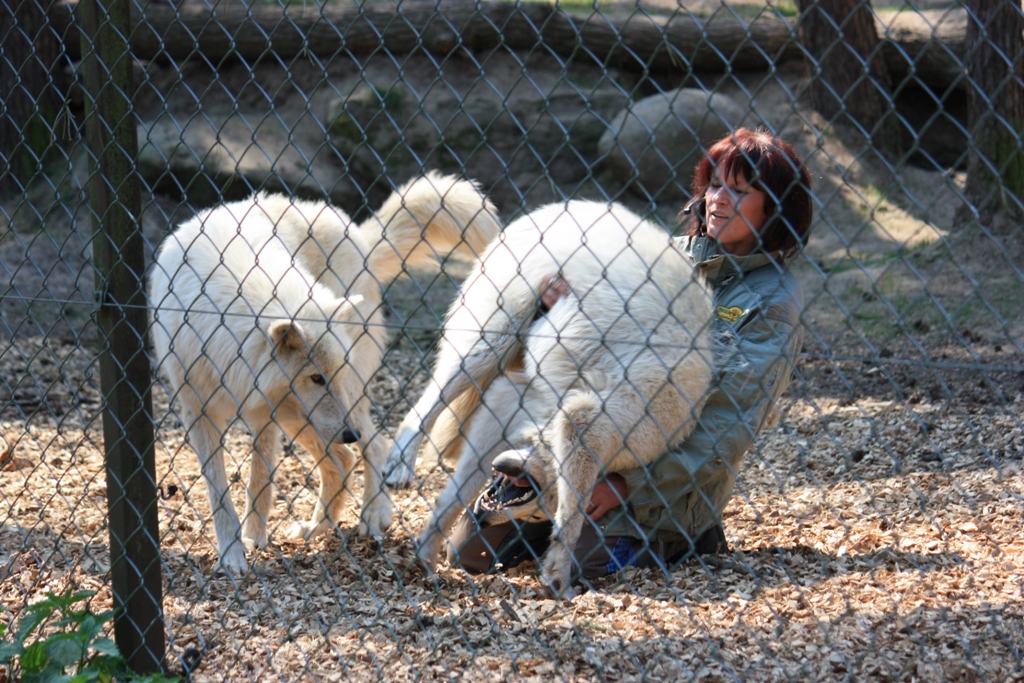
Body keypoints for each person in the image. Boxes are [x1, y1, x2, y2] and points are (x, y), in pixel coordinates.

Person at [447, 127, 814, 580]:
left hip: (658, 482)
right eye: (715, 184)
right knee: (468, 554)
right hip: (579, 438)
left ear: (775, 208)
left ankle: (688, 533)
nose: (718, 199)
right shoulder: (663, 258)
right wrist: (554, 307)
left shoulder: (774, 300)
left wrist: (628, 486)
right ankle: (543, 487)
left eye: (738, 191)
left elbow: (726, 422)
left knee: (586, 571)